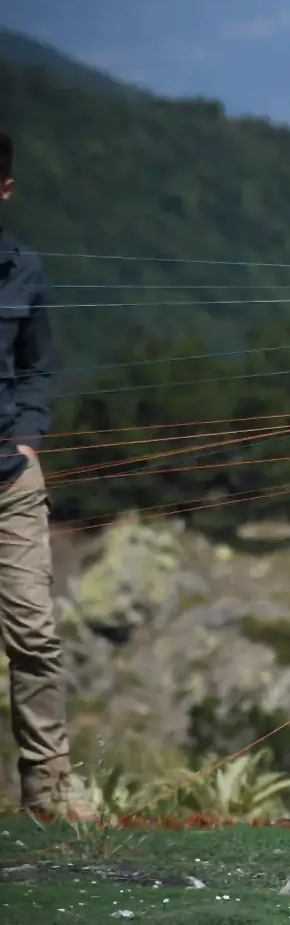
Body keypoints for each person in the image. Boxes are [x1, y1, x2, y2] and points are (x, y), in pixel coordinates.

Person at [0, 132, 94, 821]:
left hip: (10, 474)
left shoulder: (24, 270)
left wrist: (31, 442)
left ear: (4, 189)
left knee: (33, 633)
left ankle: (49, 793)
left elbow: (37, 367)